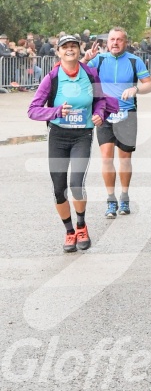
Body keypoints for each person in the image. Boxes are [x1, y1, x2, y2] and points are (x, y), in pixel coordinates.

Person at [27, 35, 114, 253]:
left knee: (76, 184)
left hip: (82, 135)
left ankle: (82, 226)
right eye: (65, 47)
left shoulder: (89, 74)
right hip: (58, 136)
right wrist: (55, 111)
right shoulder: (52, 77)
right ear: (58, 52)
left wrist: (99, 114)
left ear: (79, 50)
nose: (69, 50)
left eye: (73, 46)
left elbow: (101, 100)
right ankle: (69, 232)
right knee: (59, 189)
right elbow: (33, 109)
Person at [83, 27, 151, 217]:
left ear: (125, 42)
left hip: (127, 114)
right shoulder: (99, 59)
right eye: (112, 39)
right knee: (106, 157)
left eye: (119, 40)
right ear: (107, 42)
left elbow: (149, 85)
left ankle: (124, 196)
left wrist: (135, 90)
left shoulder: (134, 61)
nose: (115, 43)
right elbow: (75, 73)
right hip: (104, 113)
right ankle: (111, 199)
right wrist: (86, 59)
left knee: (125, 159)